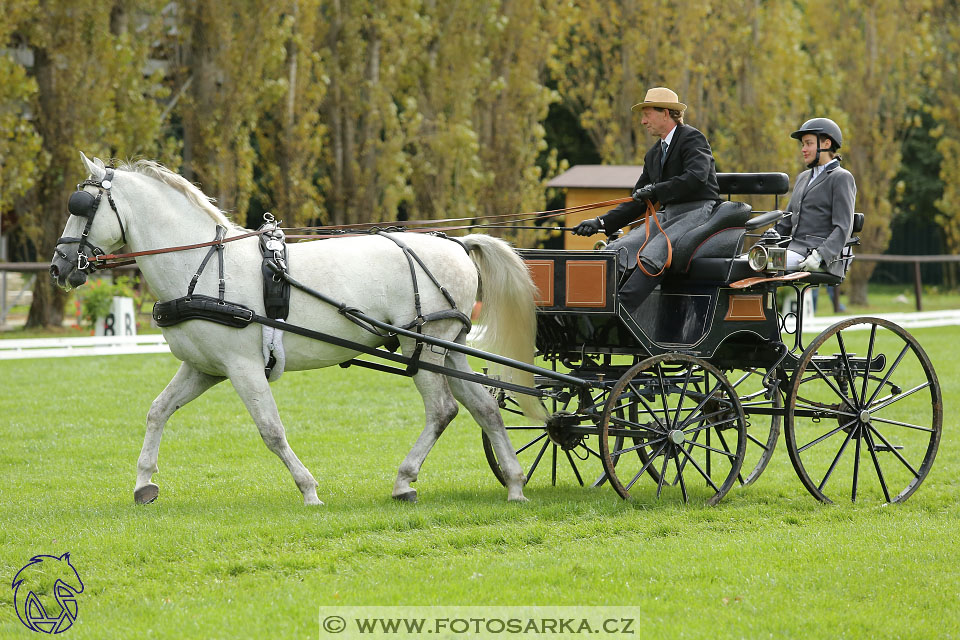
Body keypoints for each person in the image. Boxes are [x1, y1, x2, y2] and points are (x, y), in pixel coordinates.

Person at [571, 87, 720, 313]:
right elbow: (638, 199)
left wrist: (656, 191)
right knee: (619, 248)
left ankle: (620, 312)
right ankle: (588, 304)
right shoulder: (653, 154)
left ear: (666, 113)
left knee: (657, 249)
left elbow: (697, 177)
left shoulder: (692, 138)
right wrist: (601, 223)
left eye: (647, 114)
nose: (642, 121)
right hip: (667, 216)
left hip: (697, 213)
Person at [775, 117, 856, 279]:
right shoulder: (803, 177)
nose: (803, 149)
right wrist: (763, 244)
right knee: (744, 262)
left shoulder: (841, 177)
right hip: (793, 250)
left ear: (826, 144)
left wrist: (820, 255)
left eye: (808, 143)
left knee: (757, 265)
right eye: (803, 144)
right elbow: (787, 221)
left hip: (816, 255)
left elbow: (844, 227)